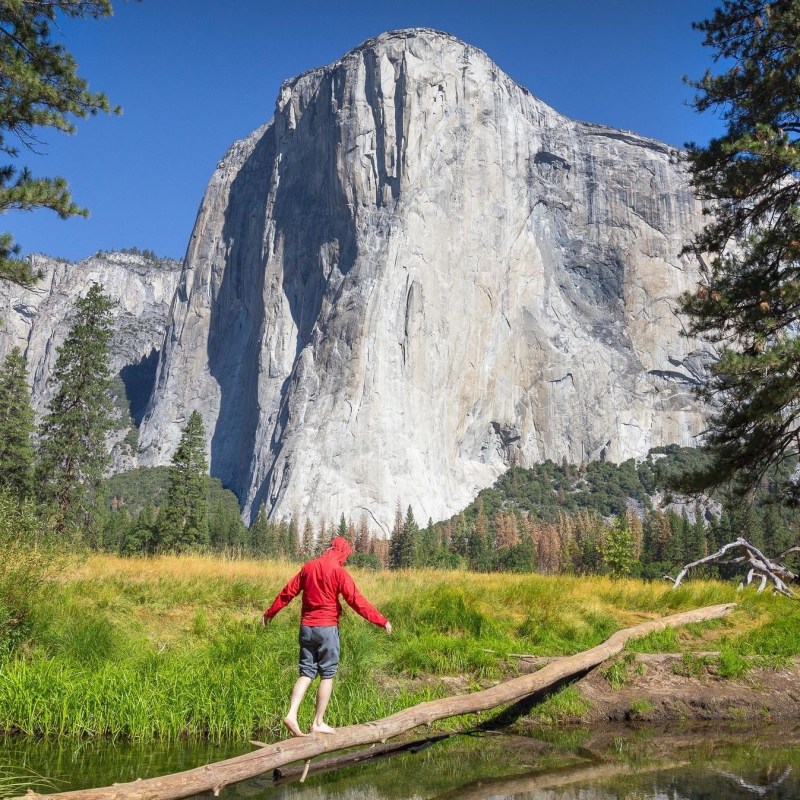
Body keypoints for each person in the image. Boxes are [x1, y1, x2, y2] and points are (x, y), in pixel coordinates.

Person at [262, 536, 392, 736]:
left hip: (306, 627)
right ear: (342, 552)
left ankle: (291, 713)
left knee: (306, 672)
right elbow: (356, 601)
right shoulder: (339, 572)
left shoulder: (308, 567)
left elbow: (287, 592)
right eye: (346, 556)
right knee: (327, 675)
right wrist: (381, 621)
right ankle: (318, 722)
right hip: (327, 628)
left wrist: (269, 613)